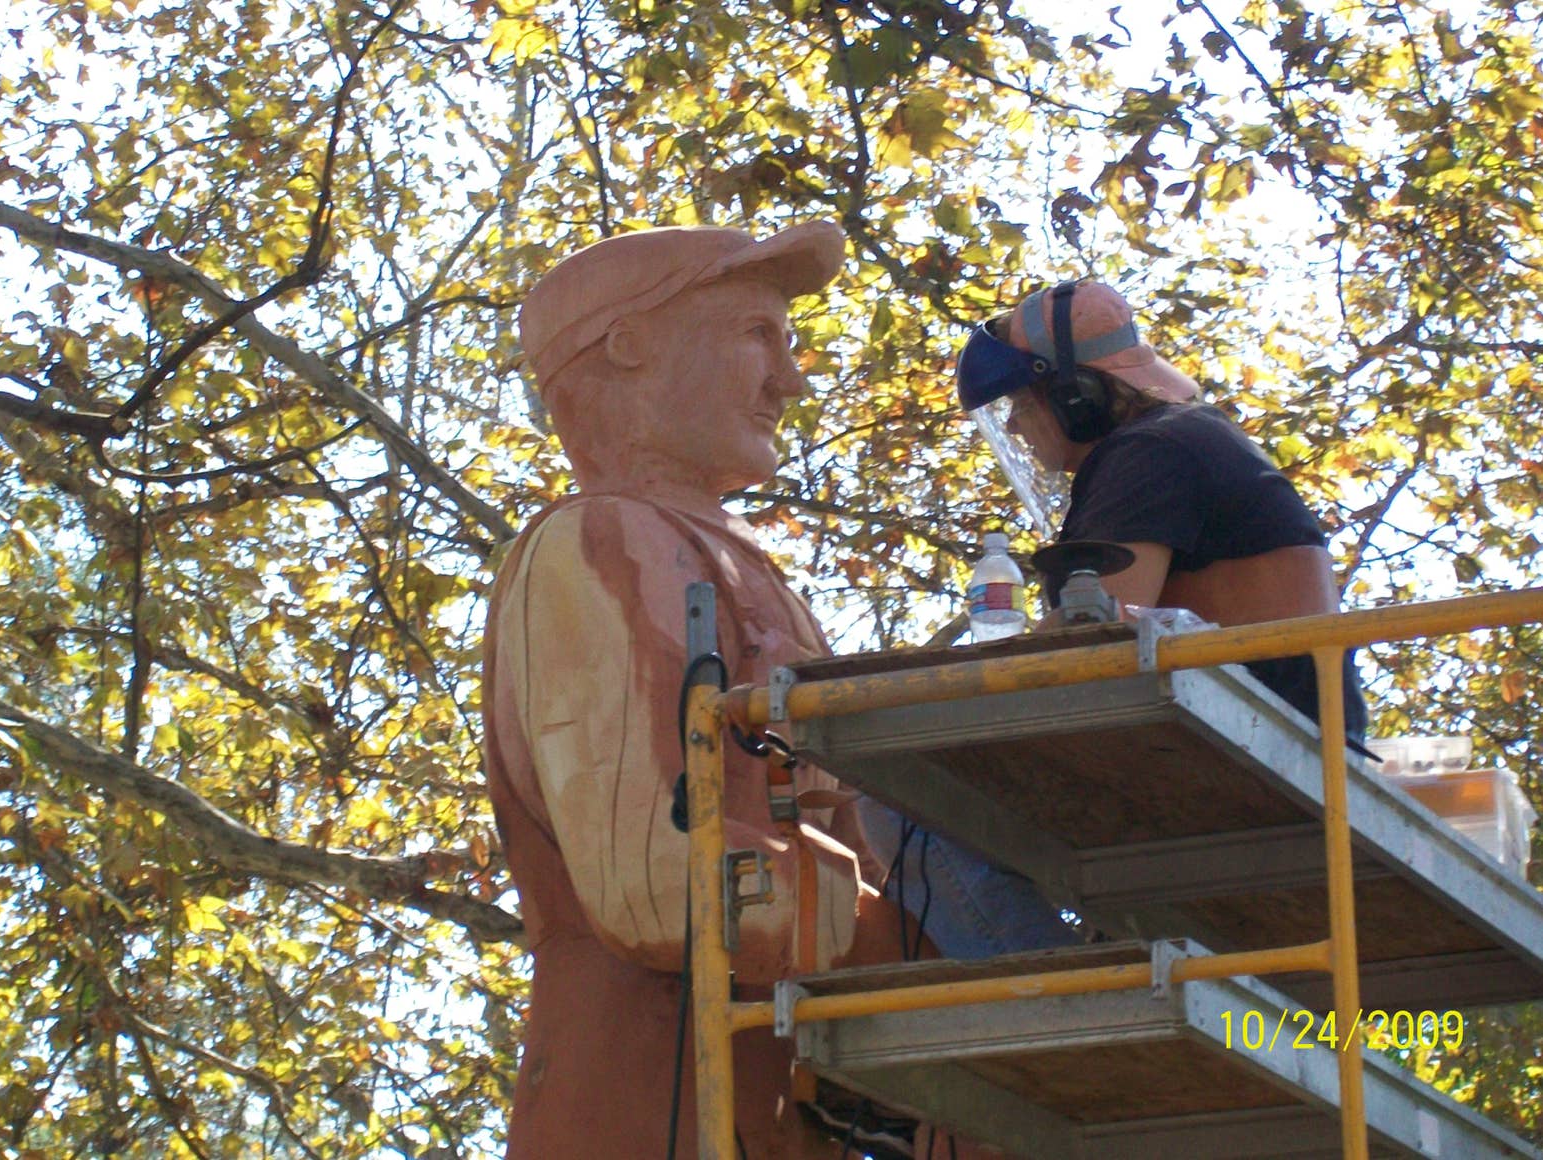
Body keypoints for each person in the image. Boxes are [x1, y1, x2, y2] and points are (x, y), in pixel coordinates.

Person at [480, 222, 914, 1159]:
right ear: (631, 344)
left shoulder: (751, 571)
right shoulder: (598, 542)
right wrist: (931, 954)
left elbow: (843, 833)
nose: (789, 379)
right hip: (647, 1115)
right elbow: (658, 882)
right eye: (759, 334)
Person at [863, 277, 1369, 959]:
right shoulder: (1189, 439)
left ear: (1074, 396)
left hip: (1248, 768)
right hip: (1262, 753)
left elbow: (1091, 645)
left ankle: (1054, 1002)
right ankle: (1091, 966)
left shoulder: (1146, 454)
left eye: (1020, 402)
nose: (1012, 425)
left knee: (900, 794)